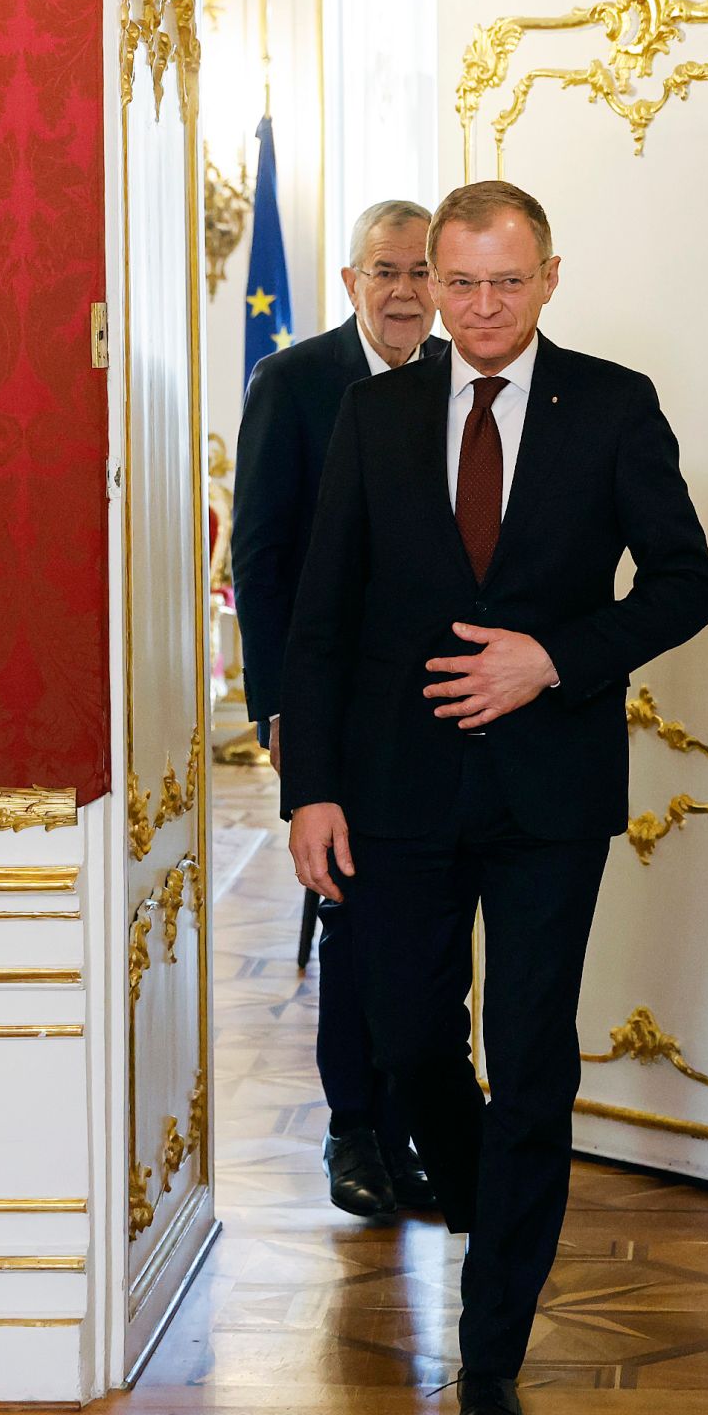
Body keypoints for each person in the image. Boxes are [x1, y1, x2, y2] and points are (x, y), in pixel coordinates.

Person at [279, 180, 708, 1415]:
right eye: (455, 281)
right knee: (409, 1043)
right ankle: (487, 1205)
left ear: (548, 279)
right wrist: (310, 787)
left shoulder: (614, 403)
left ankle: (490, 1358)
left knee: (532, 1061)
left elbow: (685, 581)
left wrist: (555, 658)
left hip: (546, 796)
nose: (476, 306)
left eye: (502, 282)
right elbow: (319, 619)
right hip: (392, 792)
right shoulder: (373, 411)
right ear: (428, 276)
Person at [232, 199, 448, 1220]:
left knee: (427, 932)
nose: (404, 290)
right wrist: (279, 710)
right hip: (335, 707)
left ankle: (411, 1126)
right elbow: (261, 560)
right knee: (355, 918)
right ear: (353, 281)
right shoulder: (294, 383)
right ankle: (352, 1129)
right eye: (384, 270)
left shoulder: (467, 385)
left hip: (450, 708)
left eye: (420, 270)